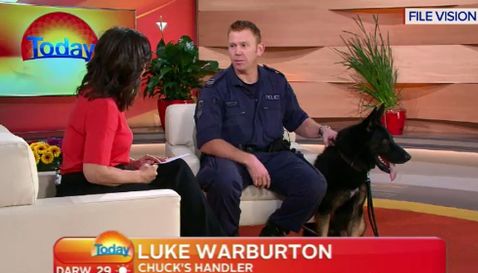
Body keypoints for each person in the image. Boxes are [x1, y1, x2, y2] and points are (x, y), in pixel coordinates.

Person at [56, 27, 222, 238]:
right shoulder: (103, 105)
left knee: (176, 170)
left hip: (87, 180)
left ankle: (206, 253)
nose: (144, 69)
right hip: (85, 186)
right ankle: (212, 256)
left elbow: (101, 156)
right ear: (128, 66)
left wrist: (132, 163)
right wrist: (139, 176)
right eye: (142, 63)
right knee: (178, 175)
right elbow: (94, 171)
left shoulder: (95, 94)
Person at [195, 20, 338, 237]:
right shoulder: (215, 88)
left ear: (260, 49)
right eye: (232, 46)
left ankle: (275, 231)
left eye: (244, 45)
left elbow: (297, 120)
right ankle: (226, 251)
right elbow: (208, 141)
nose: (237, 52)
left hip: (273, 155)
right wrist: (249, 160)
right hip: (230, 157)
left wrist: (322, 130)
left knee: (314, 184)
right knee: (223, 182)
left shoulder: (276, 82)